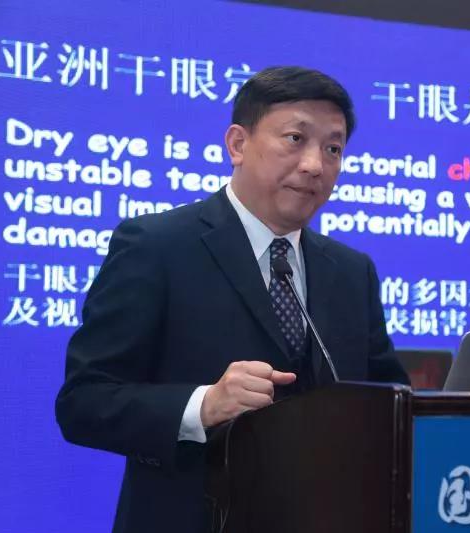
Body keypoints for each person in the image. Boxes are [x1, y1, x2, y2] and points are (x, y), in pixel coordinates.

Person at [55, 66, 409, 533]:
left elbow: (391, 400)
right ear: (238, 144)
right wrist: (203, 405)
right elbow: (84, 402)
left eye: (333, 149)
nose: (315, 165)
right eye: (295, 139)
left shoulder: (350, 271)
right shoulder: (156, 247)